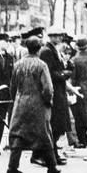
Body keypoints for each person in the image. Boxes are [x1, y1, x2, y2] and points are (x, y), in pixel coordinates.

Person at [7, 36, 60, 173]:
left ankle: (12, 167)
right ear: (39, 48)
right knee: (44, 134)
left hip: (21, 103)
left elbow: (12, 87)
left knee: (17, 134)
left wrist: (16, 100)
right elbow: (48, 88)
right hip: (38, 104)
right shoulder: (41, 65)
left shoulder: (18, 64)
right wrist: (48, 101)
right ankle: (52, 166)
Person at [37, 26, 72, 165]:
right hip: (54, 92)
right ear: (51, 36)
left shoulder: (53, 49)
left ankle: (51, 154)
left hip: (59, 91)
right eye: (57, 35)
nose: (59, 38)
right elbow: (49, 73)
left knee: (58, 126)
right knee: (55, 125)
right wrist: (65, 74)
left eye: (60, 35)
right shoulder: (47, 51)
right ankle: (46, 155)